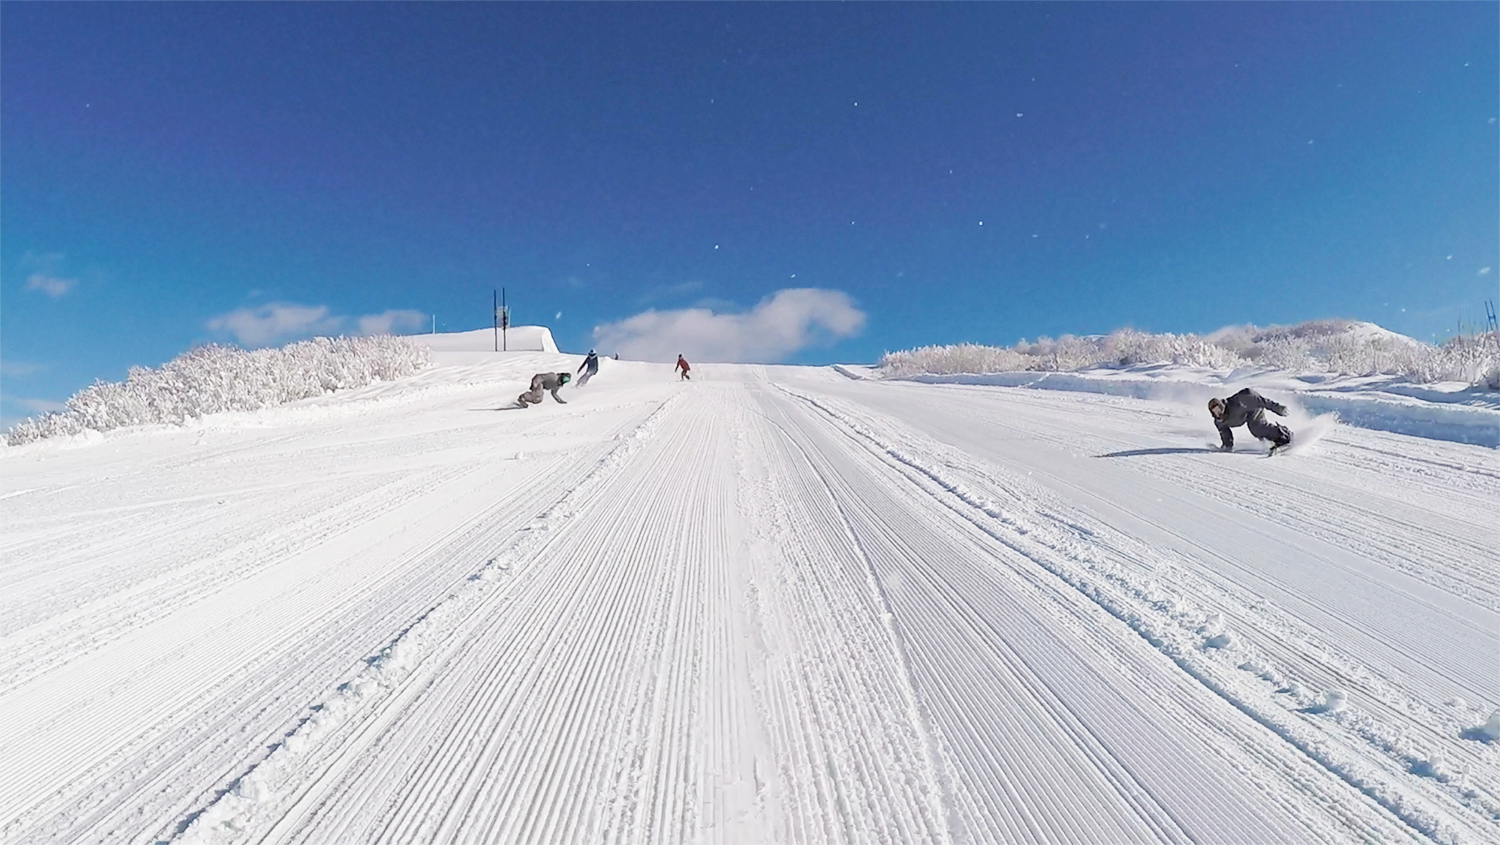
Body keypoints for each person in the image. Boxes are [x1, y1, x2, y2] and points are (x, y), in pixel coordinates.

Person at [1208, 388, 1291, 452]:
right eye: (1215, 412)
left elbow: (1261, 400)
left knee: (1256, 427)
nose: (1218, 413)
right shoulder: (1219, 423)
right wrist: (1226, 447)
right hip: (1245, 414)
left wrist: (1277, 407)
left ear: (1222, 406)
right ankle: (1272, 440)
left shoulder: (1238, 401)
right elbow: (1227, 437)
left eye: (1218, 409)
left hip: (1252, 407)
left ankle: (1284, 434)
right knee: (1257, 432)